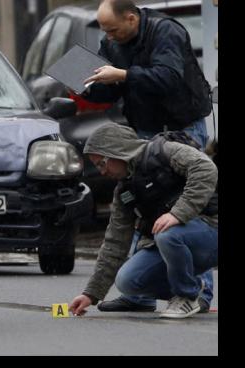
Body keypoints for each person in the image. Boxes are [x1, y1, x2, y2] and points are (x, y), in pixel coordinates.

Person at [81, 0, 215, 313]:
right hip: (144, 128)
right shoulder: (113, 42)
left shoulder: (165, 31)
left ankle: (200, 294)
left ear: (131, 18)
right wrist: (85, 86)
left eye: (112, 29)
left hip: (181, 126)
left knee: (182, 207)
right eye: (104, 31)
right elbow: (110, 90)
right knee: (140, 204)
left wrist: (124, 74)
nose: (108, 37)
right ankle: (138, 294)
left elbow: (167, 77)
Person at [69, 123, 218, 319]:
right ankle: (193, 291)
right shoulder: (124, 191)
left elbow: (206, 168)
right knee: (128, 281)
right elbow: (115, 243)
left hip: (210, 230)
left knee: (166, 234)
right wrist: (91, 293)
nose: (101, 172)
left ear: (117, 151)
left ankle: (186, 296)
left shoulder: (164, 151)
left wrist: (178, 213)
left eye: (101, 163)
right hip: (174, 239)